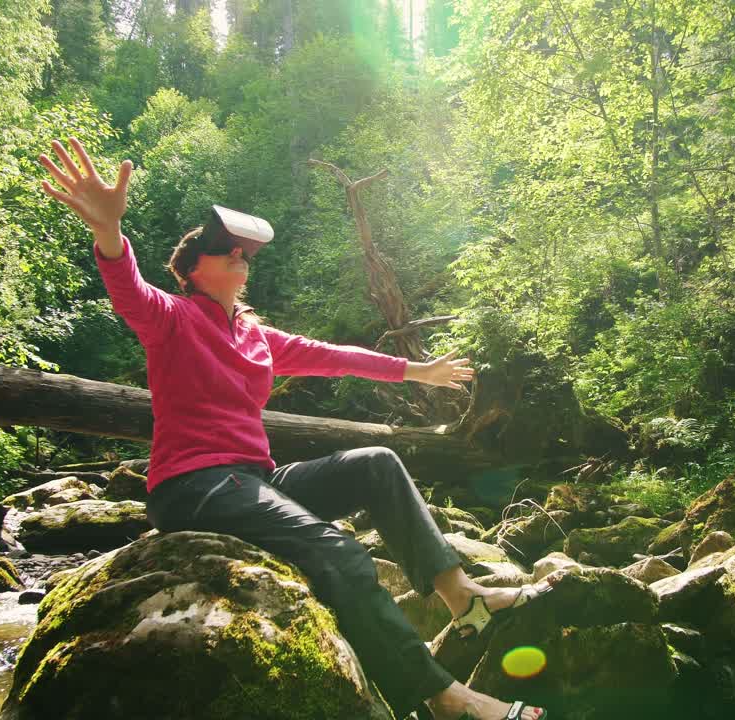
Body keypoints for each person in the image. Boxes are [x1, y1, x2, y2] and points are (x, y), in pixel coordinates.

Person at [38, 138, 548, 720]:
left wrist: (418, 371)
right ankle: (445, 697)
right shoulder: (172, 318)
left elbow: (334, 357)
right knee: (340, 554)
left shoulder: (255, 334)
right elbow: (128, 290)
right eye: (224, 250)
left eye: (244, 252)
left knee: (377, 462)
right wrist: (108, 230)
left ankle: (463, 597)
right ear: (192, 271)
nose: (239, 256)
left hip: (254, 479)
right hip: (194, 486)